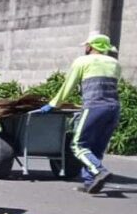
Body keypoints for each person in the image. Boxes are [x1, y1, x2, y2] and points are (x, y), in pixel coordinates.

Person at [40, 33, 121, 194]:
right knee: (96, 148)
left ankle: (99, 171)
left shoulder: (82, 61)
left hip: (94, 107)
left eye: (87, 45)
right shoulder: (114, 63)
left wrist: (52, 104)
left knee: (78, 145)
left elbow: (68, 85)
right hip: (113, 108)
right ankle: (90, 182)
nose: (85, 48)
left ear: (90, 46)